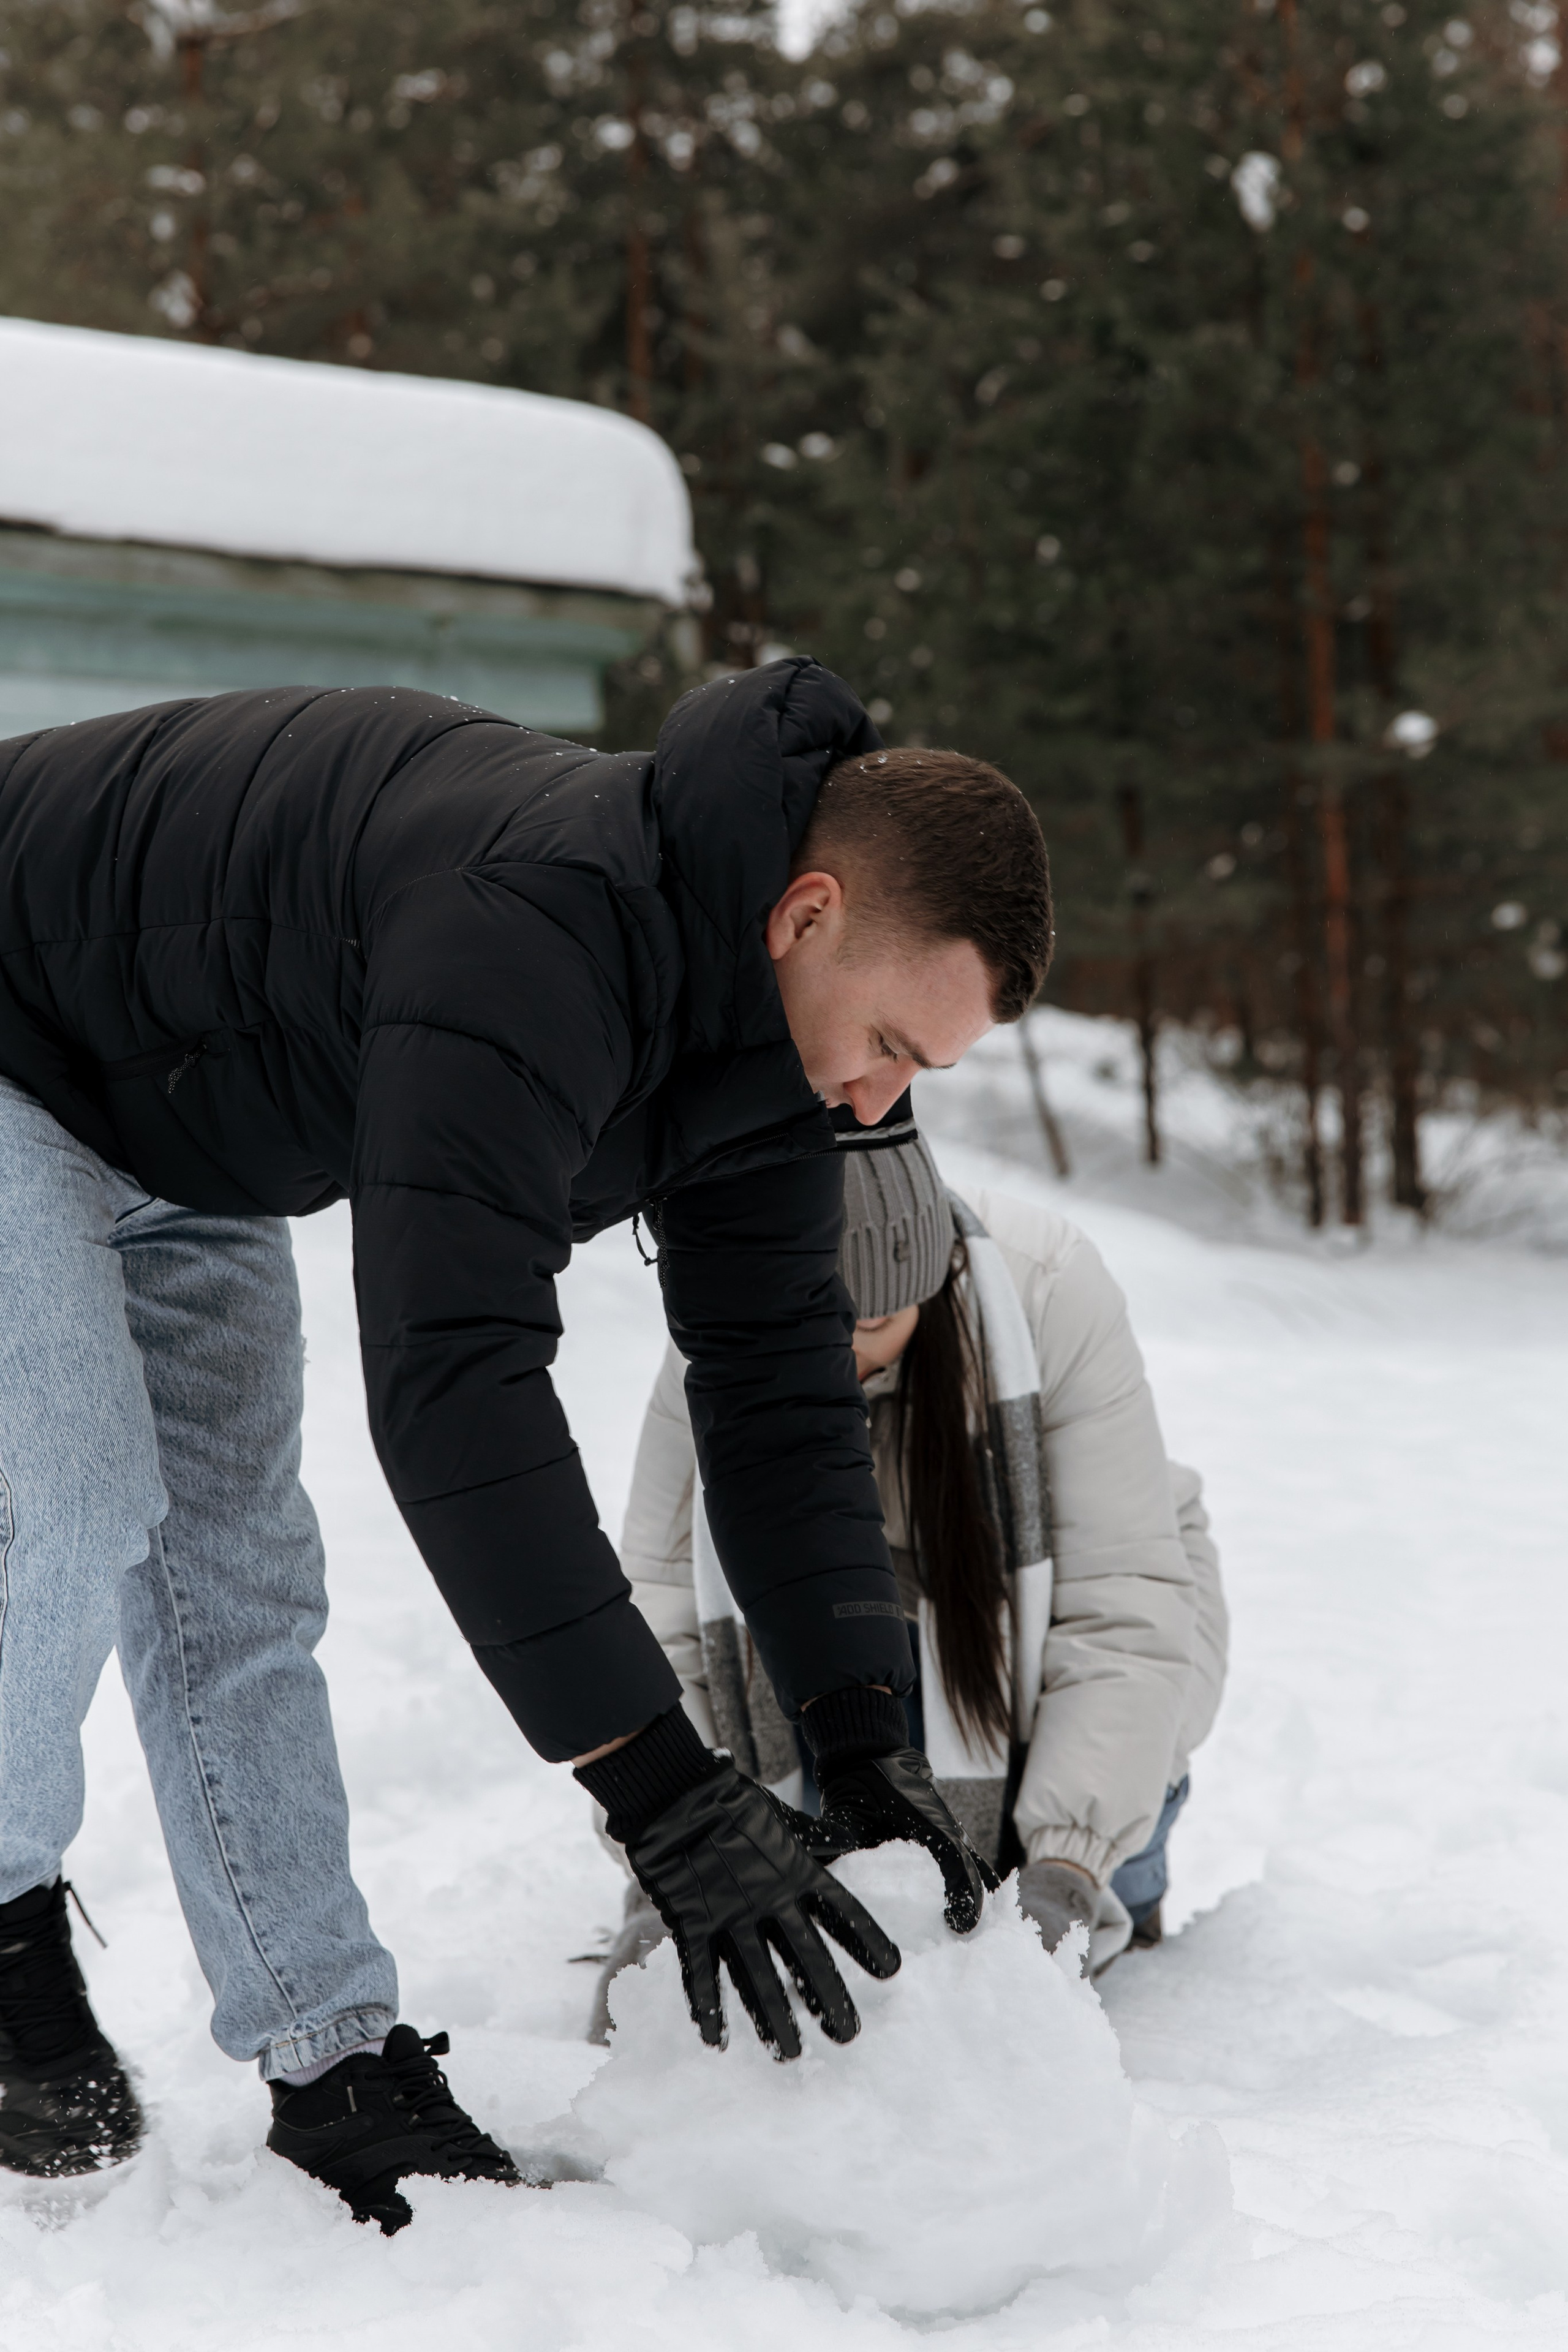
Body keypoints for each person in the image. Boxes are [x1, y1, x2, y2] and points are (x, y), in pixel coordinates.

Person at [0, 658, 1051, 2218]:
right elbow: (456, 1382)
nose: (881, 1093)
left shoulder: (771, 1057)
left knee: (244, 1589)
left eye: (922, 1072)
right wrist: (656, 1785)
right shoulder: (532, 929)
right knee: (75, 1490)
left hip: (192, 1141)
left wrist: (856, 1730)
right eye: (893, 1038)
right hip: (18, 1048)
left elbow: (770, 1388)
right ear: (807, 911)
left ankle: (333, 2066)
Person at [591, 1115, 1227, 2034]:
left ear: (931, 1287)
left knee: (1091, 1842)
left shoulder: (1049, 1291)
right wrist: (668, 1864)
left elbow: (1125, 1611)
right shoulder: (725, 1321)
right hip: (860, 1646)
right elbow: (659, 1611)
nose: (840, 1356)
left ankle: (1103, 1872)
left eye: (877, 1322)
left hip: (1064, 1661)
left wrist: (1065, 1875)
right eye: (818, 1327)